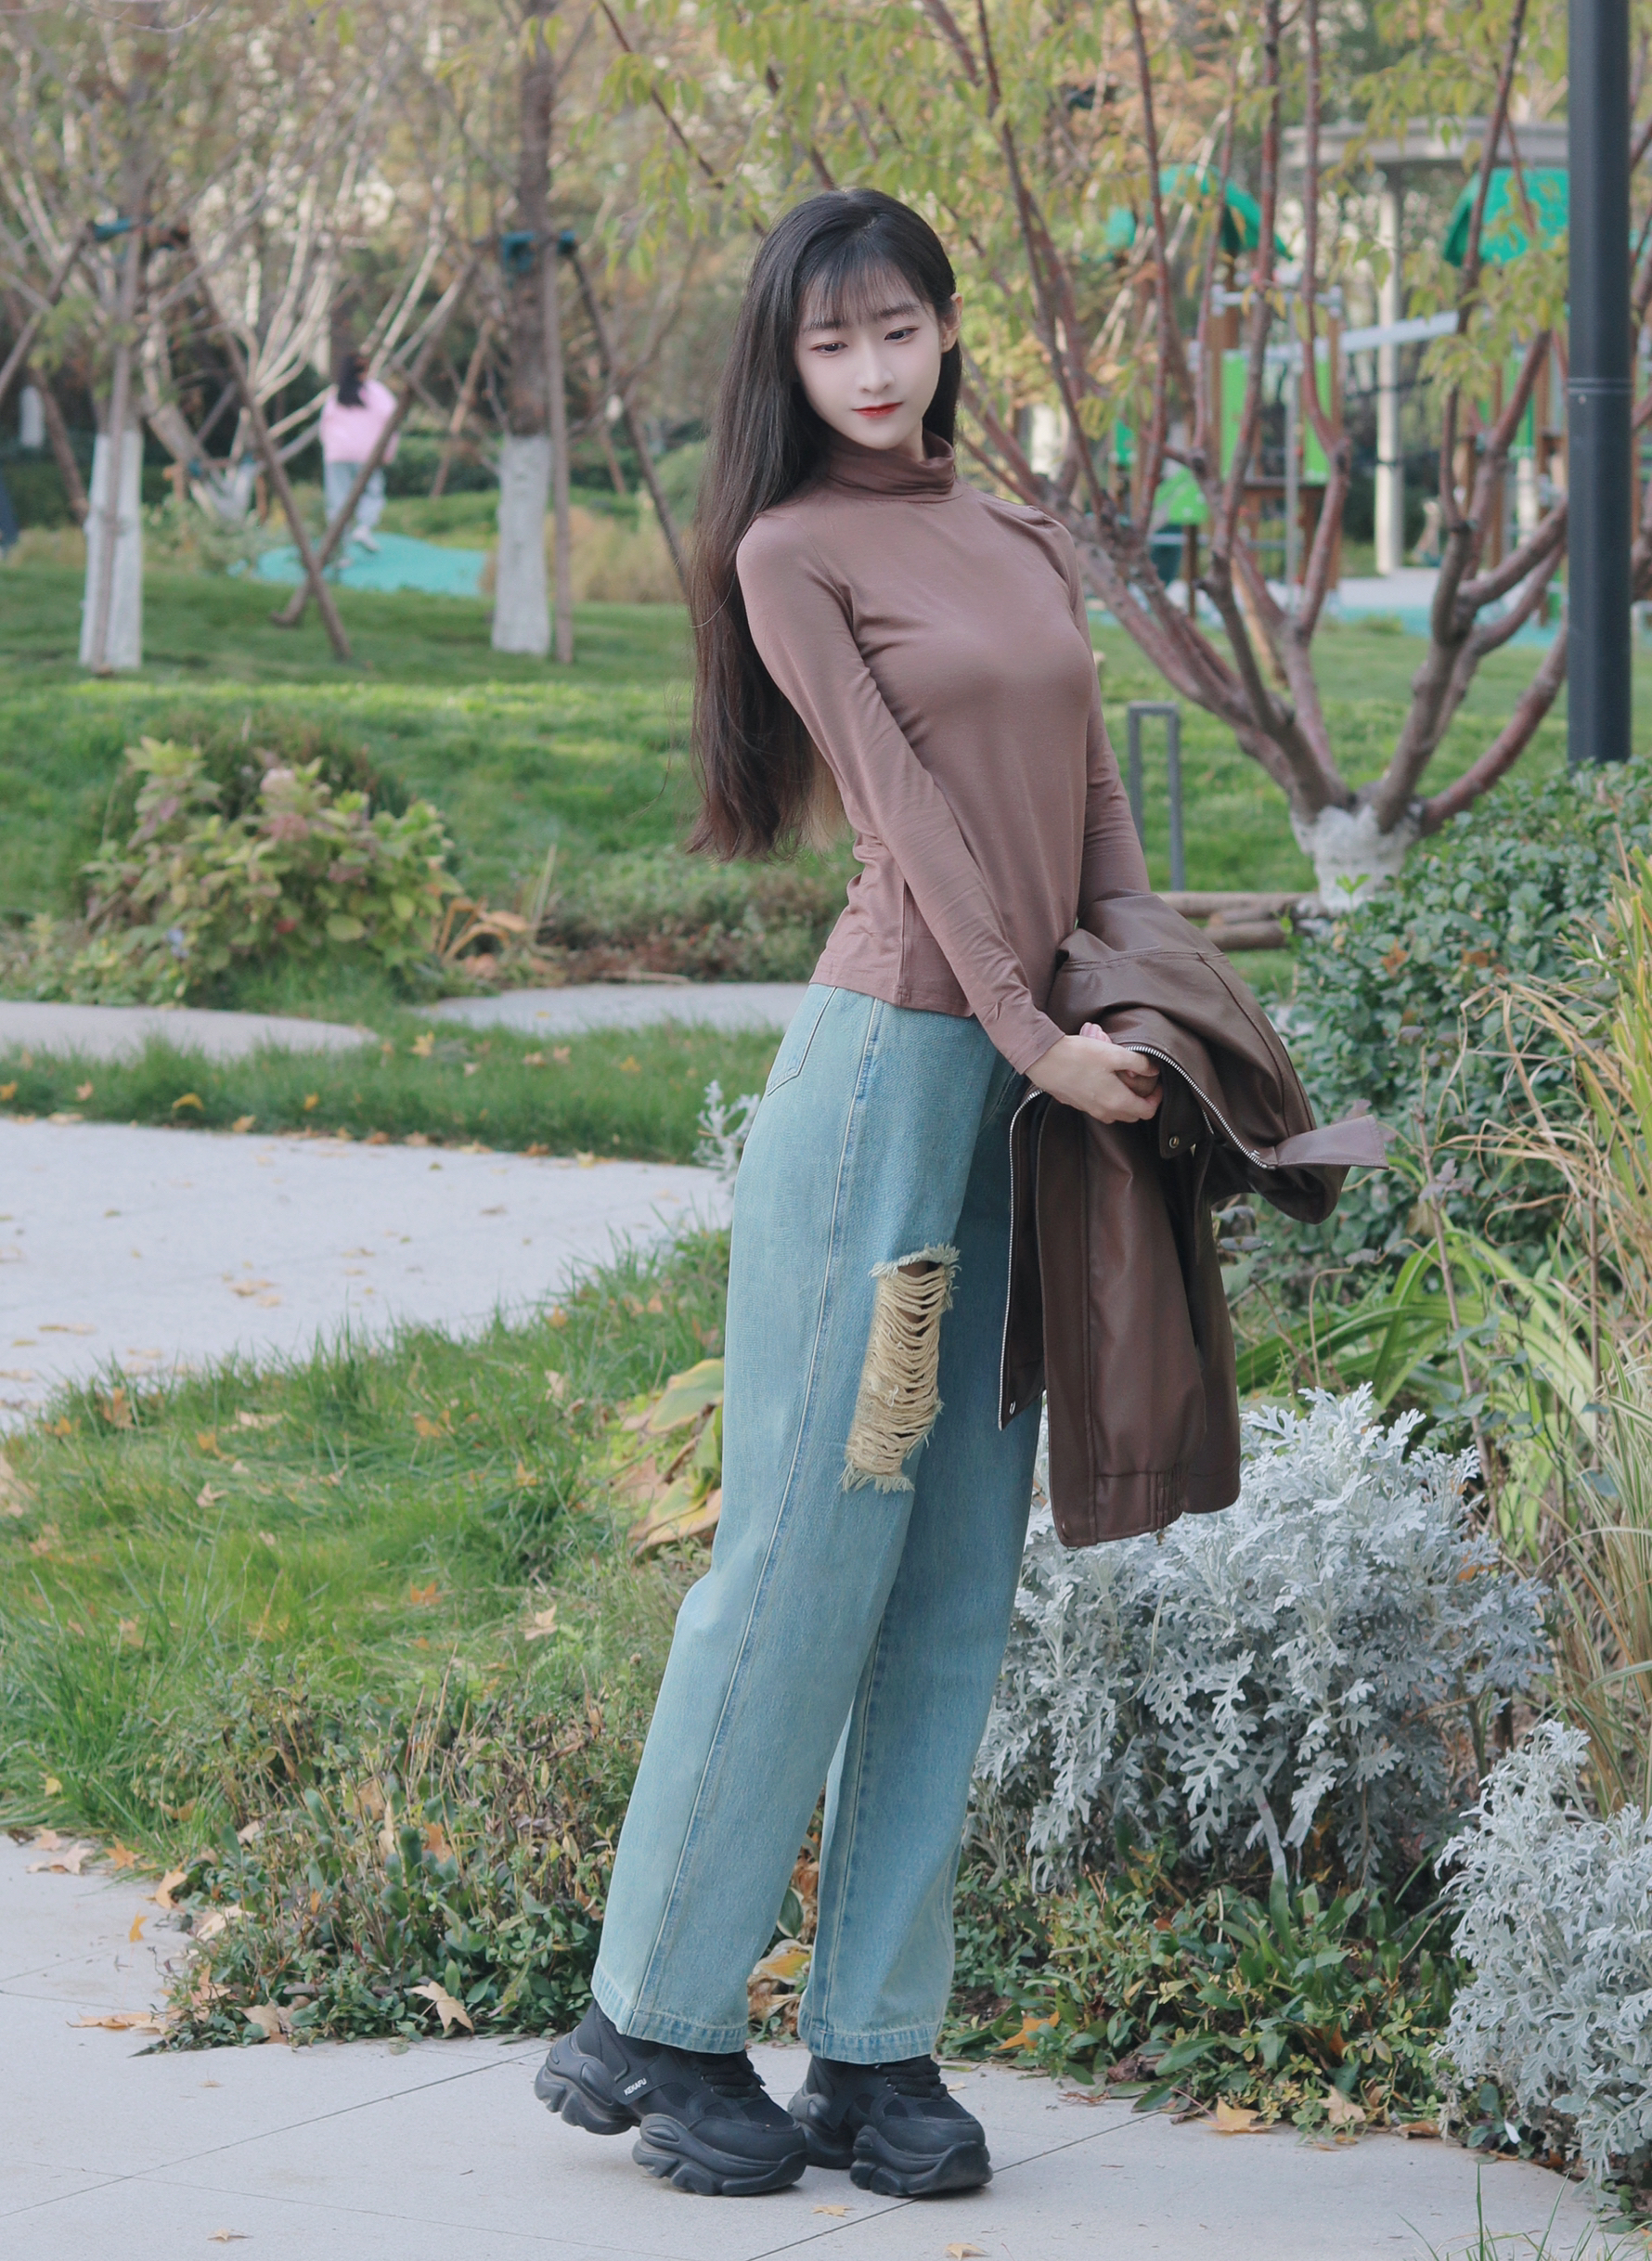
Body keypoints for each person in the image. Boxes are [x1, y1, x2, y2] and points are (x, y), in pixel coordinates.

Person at [534, 187, 1162, 2202]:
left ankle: (876, 2048)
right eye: (833, 343)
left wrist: (1135, 993)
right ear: (787, 366)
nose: (874, 369)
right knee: (816, 1541)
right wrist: (1032, 1032)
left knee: (958, 1574)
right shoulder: (789, 550)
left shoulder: (1016, 531)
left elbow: (1090, 799)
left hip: (1024, 1107)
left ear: (947, 331)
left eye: (901, 329)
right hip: (893, 1093)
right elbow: (914, 825)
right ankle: (654, 2013)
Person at [318, 352, 397, 552]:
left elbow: (324, 425)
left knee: (338, 500)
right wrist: (388, 452)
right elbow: (391, 421)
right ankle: (363, 528)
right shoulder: (376, 392)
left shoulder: (336, 394)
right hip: (368, 453)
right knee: (372, 492)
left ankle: (340, 550)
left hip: (337, 453)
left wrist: (330, 448)